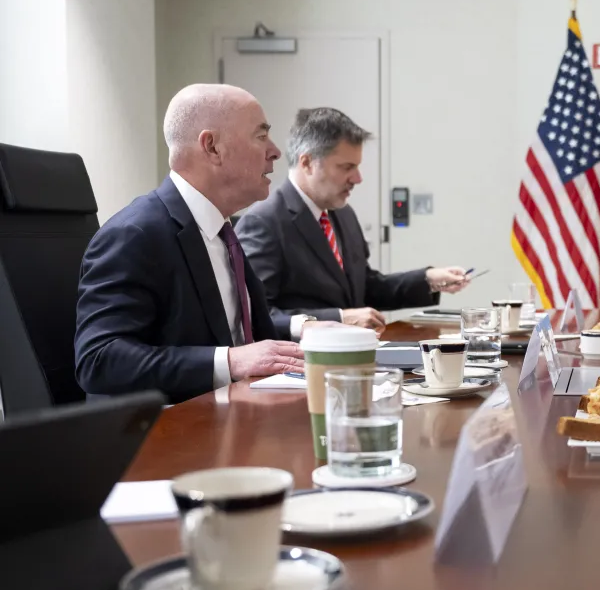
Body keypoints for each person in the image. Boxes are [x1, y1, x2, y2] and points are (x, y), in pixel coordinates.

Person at [76, 84, 311, 403]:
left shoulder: (225, 230)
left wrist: (322, 340)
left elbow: (250, 341)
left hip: (237, 414)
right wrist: (231, 361)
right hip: (168, 438)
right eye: (260, 135)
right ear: (212, 147)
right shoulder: (135, 234)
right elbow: (98, 360)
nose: (275, 151)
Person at [236, 107, 471, 335]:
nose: (357, 178)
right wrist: (339, 318)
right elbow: (257, 317)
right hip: (303, 365)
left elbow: (364, 288)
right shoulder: (263, 222)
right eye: (346, 167)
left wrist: (427, 280)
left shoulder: (342, 213)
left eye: (357, 166)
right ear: (306, 162)